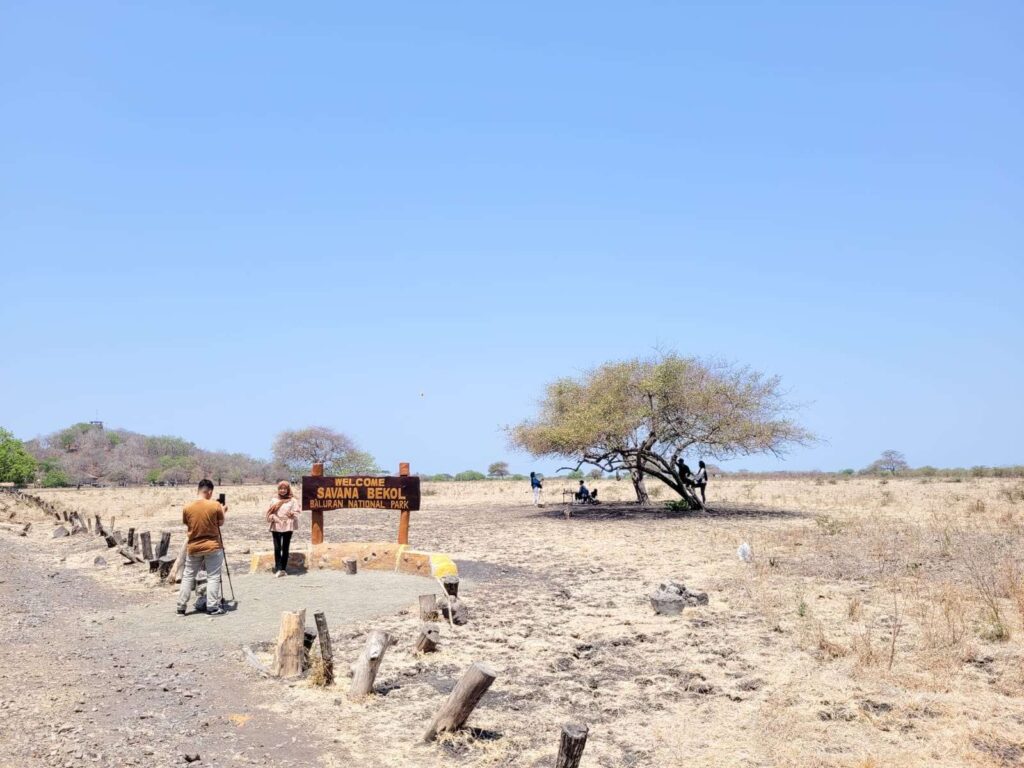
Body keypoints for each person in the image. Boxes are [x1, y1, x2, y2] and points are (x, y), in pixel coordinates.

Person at [177, 479, 227, 616]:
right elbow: (220, 523)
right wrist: (223, 511)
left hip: (193, 546)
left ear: (198, 490)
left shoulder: (187, 507)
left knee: (188, 576)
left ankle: (181, 606)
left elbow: (187, 524)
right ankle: (212, 607)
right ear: (210, 492)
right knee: (213, 576)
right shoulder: (215, 505)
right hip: (213, 546)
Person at [267, 480, 301, 577]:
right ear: (278, 489)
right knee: (277, 548)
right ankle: (278, 568)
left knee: (285, 548)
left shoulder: (293, 500)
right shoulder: (274, 500)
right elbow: (270, 512)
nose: (282, 491)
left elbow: (297, 511)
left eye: (284, 489)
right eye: (281, 489)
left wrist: (292, 514)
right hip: (276, 525)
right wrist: (273, 518)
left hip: (287, 525)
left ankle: (283, 569)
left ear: (288, 489)